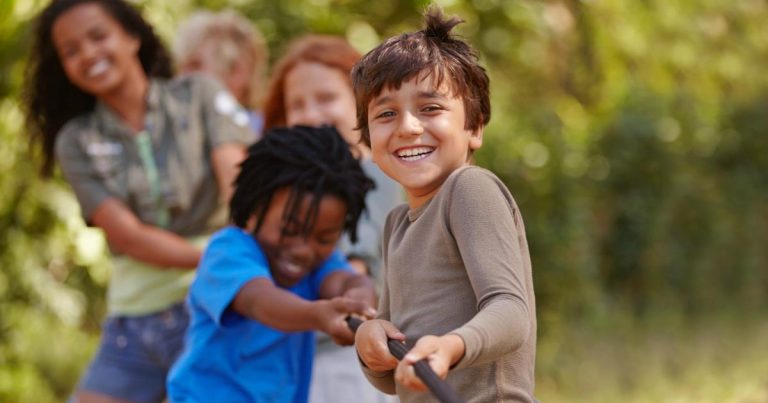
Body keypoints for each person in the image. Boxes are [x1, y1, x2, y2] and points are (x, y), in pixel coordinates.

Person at [23, 0, 253, 402]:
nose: (88, 54)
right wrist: (213, 258)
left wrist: (231, 270)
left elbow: (242, 188)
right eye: (71, 50)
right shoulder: (77, 140)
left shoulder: (199, 95)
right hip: (134, 323)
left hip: (215, 308)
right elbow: (128, 236)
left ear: (131, 36)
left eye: (98, 36)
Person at [351, 7, 537, 403]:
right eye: (386, 114)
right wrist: (373, 346)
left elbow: (510, 311)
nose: (407, 127)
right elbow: (400, 377)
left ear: (474, 127)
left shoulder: (469, 189)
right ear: (368, 139)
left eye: (430, 108)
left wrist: (452, 346)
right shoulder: (397, 223)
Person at [166, 125, 377, 402]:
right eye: (289, 229)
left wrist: (359, 301)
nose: (304, 250)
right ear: (254, 208)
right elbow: (258, 300)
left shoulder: (318, 265)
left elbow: (347, 281)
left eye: (324, 238)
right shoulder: (228, 252)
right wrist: (318, 315)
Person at [262, 35, 403, 403]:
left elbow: (356, 265)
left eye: (326, 98)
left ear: (361, 103)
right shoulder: (288, 192)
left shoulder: (374, 174)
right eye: (297, 105)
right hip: (293, 358)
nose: (310, 115)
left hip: (344, 361)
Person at [173, 8, 268, 137]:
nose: (182, 77)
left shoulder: (265, 136)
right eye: (182, 67)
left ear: (237, 71)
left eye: (196, 65)